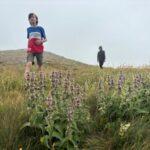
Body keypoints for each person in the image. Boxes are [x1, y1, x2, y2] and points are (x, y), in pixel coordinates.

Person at [24, 13, 47, 79]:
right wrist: (28, 48)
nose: (32, 18)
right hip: (31, 49)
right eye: (30, 18)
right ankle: (26, 79)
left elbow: (45, 39)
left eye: (34, 17)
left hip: (39, 49)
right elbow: (29, 39)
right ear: (29, 20)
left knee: (40, 65)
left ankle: (41, 80)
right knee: (29, 63)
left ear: (36, 19)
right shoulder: (28, 29)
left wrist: (40, 41)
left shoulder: (41, 28)